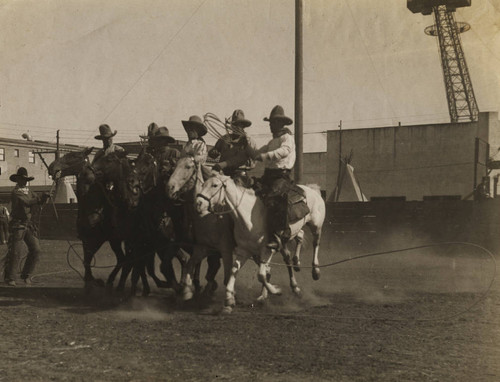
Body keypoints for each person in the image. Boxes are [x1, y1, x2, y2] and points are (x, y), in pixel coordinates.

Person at [247, 105, 296, 250]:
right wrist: (246, 146)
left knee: (274, 197)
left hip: (282, 176)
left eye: (272, 123)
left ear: (280, 123)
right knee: (252, 190)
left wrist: (265, 156)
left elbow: (284, 151)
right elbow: (256, 154)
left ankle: (279, 233)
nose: (270, 126)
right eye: (270, 123)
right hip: (268, 175)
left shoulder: (287, 138)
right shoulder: (271, 142)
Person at [3, 167, 50, 286]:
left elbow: (37, 202)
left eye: (25, 179)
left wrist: (44, 198)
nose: (24, 181)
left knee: (36, 250)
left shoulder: (29, 191)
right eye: (22, 179)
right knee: (15, 252)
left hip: (28, 225)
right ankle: (10, 278)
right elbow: (27, 202)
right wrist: (39, 198)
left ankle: (26, 275)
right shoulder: (16, 192)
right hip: (17, 225)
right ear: (17, 180)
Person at [208, 109, 256, 185]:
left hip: (240, 174)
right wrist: (213, 152)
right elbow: (212, 154)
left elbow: (254, 160)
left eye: (239, 125)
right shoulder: (224, 139)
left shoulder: (249, 141)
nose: (236, 127)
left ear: (243, 126)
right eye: (234, 125)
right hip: (223, 173)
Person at [180, 115, 212, 179]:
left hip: (195, 173)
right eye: (189, 129)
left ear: (198, 131)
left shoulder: (200, 144)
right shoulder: (187, 145)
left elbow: (199, 160)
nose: (190, 131)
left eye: (193, 129)